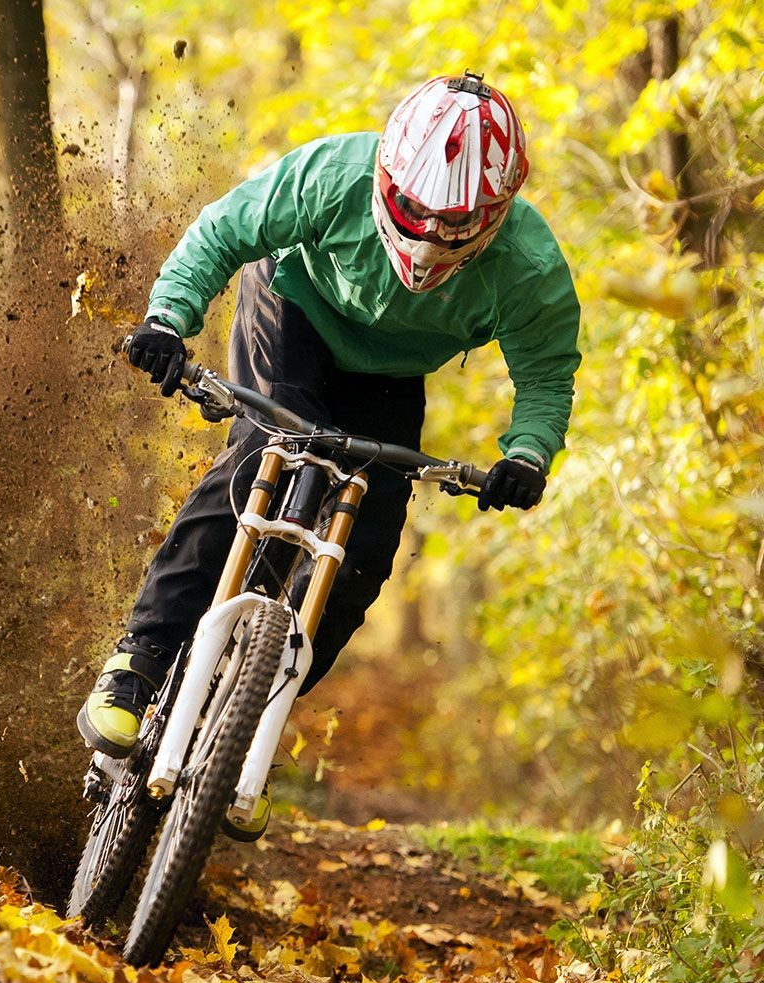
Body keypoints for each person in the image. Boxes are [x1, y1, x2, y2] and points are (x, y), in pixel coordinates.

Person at [75, 73, 582, 797]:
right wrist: (167, 320)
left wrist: (527, 453)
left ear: (495, 214)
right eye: (412, 209)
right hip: (295, 310)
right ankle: (139, 659)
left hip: (390, 375)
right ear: (386, 176)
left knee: (368, 548)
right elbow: (223, 230)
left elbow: (546, 373)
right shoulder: (332, 174)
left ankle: (246, 716)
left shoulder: (528, 267)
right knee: (264, 456)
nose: (430, 234)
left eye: (454, 223)